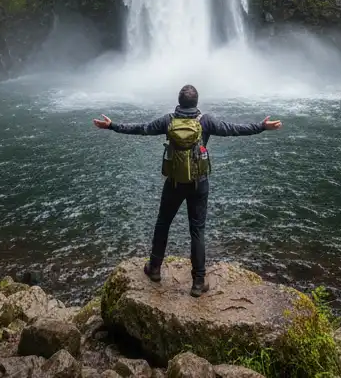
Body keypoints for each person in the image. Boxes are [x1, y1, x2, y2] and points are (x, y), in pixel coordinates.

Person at [93, 83, 282, 297]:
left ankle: (154, 269)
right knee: (197, 230)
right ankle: (198, 282)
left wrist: (112, 125)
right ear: (196, 103)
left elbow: (142, 128)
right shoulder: (206, 121)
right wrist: (261, 126)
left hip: (174, 183)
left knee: (163, 224)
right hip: (199, 183)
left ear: (179, 102)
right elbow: (234, 129)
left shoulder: (168, 120)